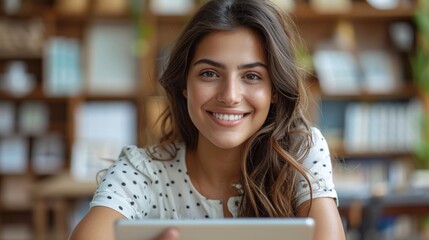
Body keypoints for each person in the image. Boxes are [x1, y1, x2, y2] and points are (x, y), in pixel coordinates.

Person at [69, 0, 345, 239]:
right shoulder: (143, 170)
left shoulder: (301, 152)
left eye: (252, 76)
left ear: (274, 90)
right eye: (209, 74)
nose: (230, 96)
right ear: (184, 85)